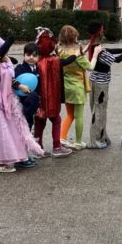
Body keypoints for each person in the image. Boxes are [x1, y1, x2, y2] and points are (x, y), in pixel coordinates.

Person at [0, 27, 42, 173]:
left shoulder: (6, 61)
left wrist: (20, 86)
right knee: (0, 130)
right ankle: (1, 163)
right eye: (4, 50)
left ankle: (5, 159)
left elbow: (10, 80)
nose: (6, 52)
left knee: (11, 129)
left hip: (7, 97)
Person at [86, 21, 122, 149]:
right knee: (99, 111)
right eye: (102, 29)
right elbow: (117, 60)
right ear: (99, 31)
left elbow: (110, 50)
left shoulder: (94, 45)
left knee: (99, 110)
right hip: (100, 84)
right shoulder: (98, 50)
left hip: (95, 81)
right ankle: (95, 140)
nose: (103, 31)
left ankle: (102, 136)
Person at [33, 28, 73, 158]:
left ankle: (38, 149)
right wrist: (76, 55)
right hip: (52, 101)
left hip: (39, 100)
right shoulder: (55, 61)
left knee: (39, 123)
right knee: (56, 120)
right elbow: (67, 61)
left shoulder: (36, 61)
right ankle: (56, 147)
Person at [58, 25, 99, 150]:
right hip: (77, 87)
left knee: (70, 115)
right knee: (79, 116)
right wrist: (95, 54)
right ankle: (78, 142)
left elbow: (74, 56)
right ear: (74, 37)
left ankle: (61, 137)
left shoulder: (60, 51)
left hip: (66, 86)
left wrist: (84, 50)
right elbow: (90, 67)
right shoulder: (78, 56)